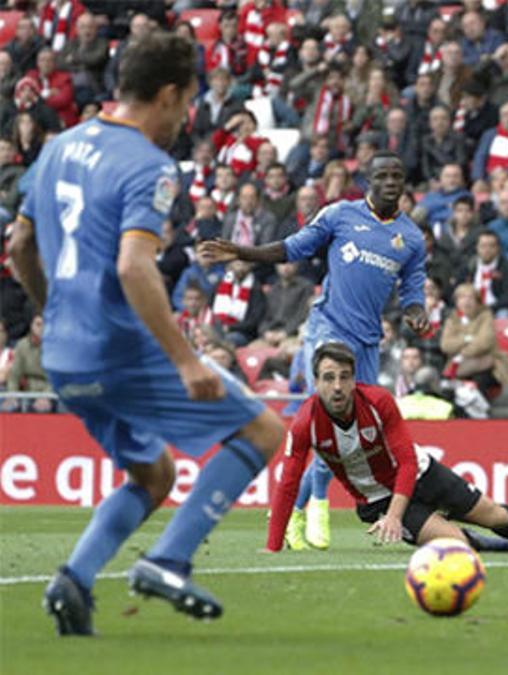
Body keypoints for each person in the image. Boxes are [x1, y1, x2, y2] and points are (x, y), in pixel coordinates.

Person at [7, 33, 286, 636]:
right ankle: (169, 559)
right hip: (115, 345)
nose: (184, 117)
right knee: (264, 429)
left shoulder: (60, 145)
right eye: (185, 103)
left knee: (153, 474)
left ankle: (74, 582)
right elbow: (134, 266)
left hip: (61, 352)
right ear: (167, 95)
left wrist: (54, 310)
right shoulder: (149, 165)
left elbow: (20, 244)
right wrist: (187, 360)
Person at [199, 150, 429, 552]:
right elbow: (292, 248)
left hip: (367, 341)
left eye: (398, 176)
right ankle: (319, 504)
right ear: (369, 181)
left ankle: (294, 510)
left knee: (352, 432)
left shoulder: (410, 238)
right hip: (328, 326)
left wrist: (416, 313)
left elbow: (412, 291)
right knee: (327, 415)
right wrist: (242, 252)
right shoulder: (340, 214)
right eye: (383, 176)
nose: (391, 182)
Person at [266, 343, 508, 552]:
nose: (337, 386)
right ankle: (477, 541)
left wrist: (396, 517)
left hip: (422, 475)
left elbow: (408, 462)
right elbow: (289, 482)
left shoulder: (378, 402)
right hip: (377, 502)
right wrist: (273, 546)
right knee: (456, 546)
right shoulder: (306, 421)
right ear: (315, 382)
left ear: (354, 380)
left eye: (344, 378)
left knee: (496, 515)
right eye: (328, 378)